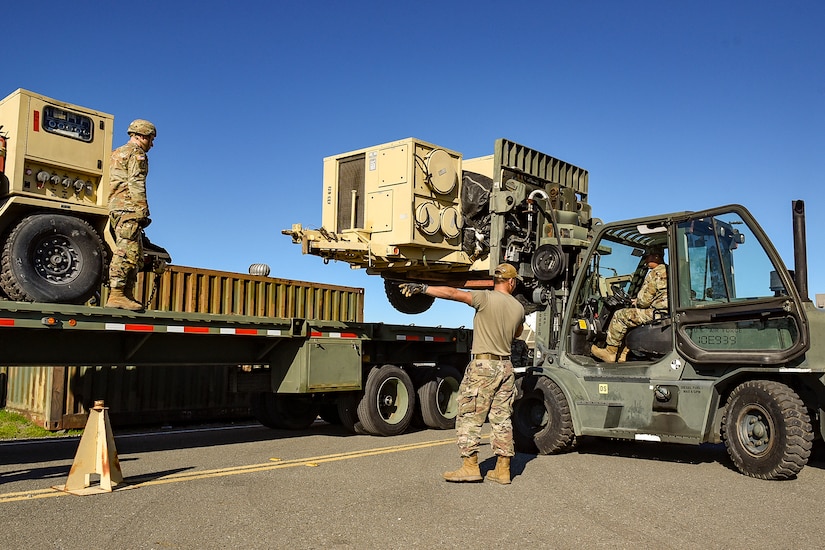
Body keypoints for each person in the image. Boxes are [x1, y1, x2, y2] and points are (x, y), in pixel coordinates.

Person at [400, 263, 525, 484]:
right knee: (502, 418)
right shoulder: (518, 308)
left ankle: (470, 467)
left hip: (483, 366)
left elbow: (453, 293)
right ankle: (503, 469)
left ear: (495, 281)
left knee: (470, 415)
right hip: (505, 367)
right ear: (512, 282)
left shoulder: (485, 298)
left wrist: (423, 288)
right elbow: (517, 332)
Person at [105, 119, 157, 311]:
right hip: (128, 207)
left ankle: (125, 295)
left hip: (115, 207)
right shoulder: (136, 154)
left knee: (134, 251)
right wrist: (142, 209)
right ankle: (117, 294)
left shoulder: (116, 153)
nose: (152, 143)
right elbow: (136, 182)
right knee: (126, 251)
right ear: (143, 136)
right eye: (151, 138)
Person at [591, 249, 668, 362]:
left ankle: (610, 352)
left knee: (620, 315)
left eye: (647, 256)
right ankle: (623, 354)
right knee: (631, 318)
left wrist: (636, 302)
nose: (646, 260)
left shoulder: (655, 273)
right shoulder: (669, 270)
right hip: (665, 313)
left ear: (656, 257)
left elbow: (644, 301)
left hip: (656, 314)